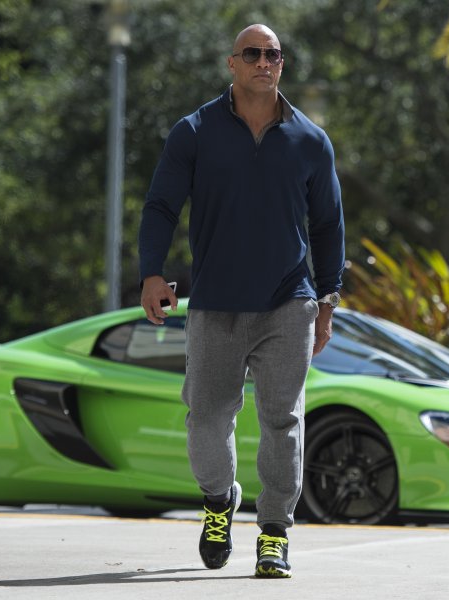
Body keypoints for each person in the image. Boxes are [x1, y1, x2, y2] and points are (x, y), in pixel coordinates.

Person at [137, 23, 344, 579]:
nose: (262, 62)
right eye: (251, 53)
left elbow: (328, 225)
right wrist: (151, 273)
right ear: (232, 63)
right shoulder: (195, 132)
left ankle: (274, 533)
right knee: (206, 420)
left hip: (289, 302)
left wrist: (327, 302)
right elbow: (161, 207)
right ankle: (219, 499)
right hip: (215, 302)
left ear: (282, 64)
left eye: (272, 54)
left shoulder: (310, 140)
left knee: (283, 419)